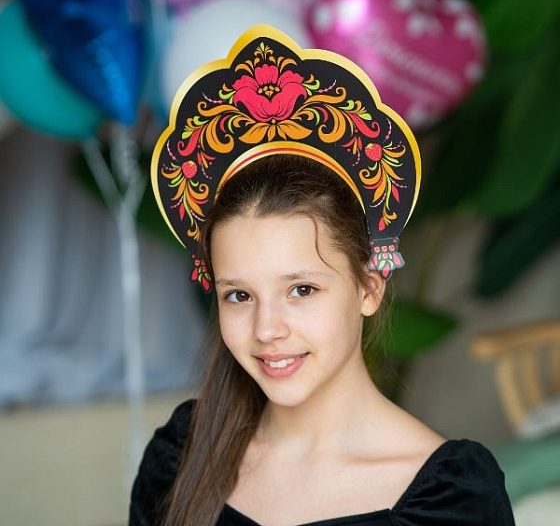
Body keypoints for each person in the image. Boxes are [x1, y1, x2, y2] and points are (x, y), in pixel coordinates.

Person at [129, 26, 515, 526]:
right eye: (239, 295)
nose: (267, 329)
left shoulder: (450, 500)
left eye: (301, 289)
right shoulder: (179, 458)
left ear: (369, 287)